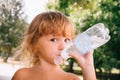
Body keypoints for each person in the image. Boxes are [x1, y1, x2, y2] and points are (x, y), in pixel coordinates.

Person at [12, 11, 96, 80]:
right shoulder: (22, 75)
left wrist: (88, 67)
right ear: (34, 43)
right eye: (54, 39)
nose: (63, 46)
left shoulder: (72, 79)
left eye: (67, 40)